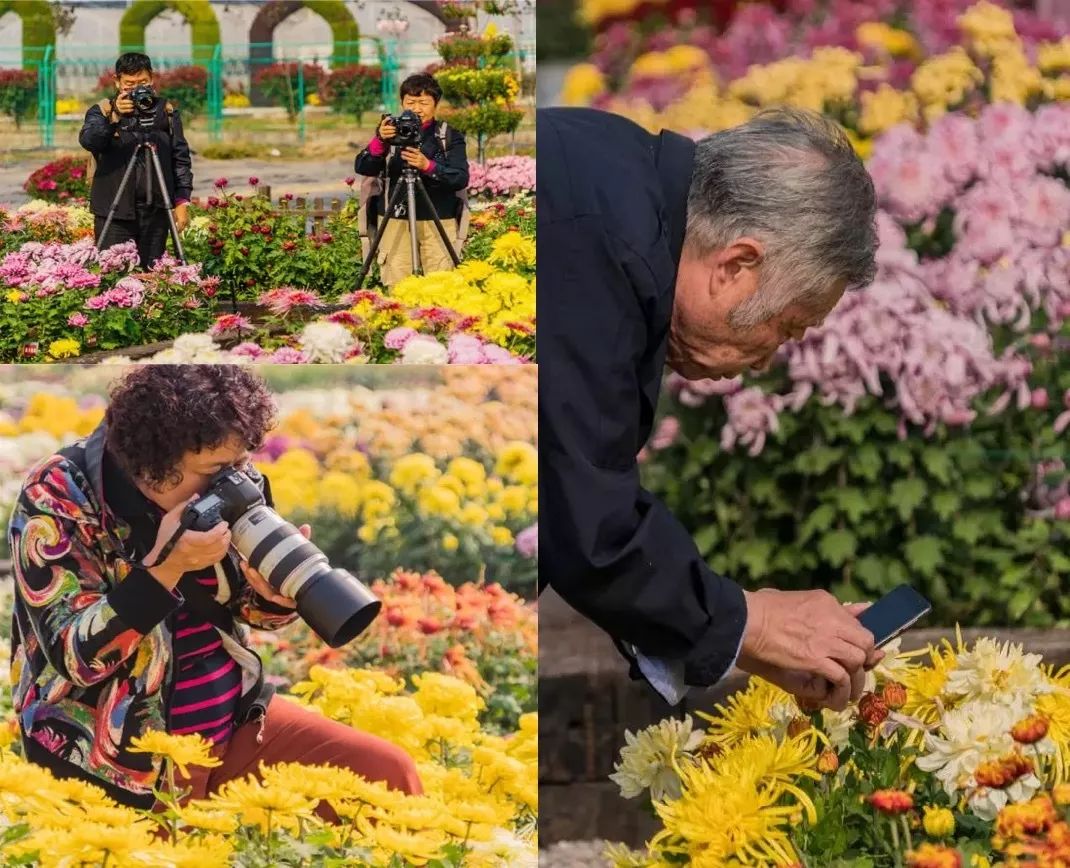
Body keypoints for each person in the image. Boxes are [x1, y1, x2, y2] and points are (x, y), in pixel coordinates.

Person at [539, 106, 883, 712]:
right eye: (788, 325)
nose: (768, 358)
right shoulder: (600, 245)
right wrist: (752, 624)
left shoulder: (618, 180)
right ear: (735, 265)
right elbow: (586, 513)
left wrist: (744, 627)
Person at [8, 365, 421, 818]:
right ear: (152, 467)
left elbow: (244, 608)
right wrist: (166, 569)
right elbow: (75, 659)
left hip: (233, 724)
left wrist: (271, 597)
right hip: (118, 761)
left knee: (385, 775)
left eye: (241, 463)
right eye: (215, 470)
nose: (234, 482)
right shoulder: (59, 496)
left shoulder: (227, 478)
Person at [79, 52, 193, 270]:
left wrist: (182, 201)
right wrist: (114, 116)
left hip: (157, 210)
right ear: (117, 81)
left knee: (152, 274)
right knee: (112, 273)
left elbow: (181, 159)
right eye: (129, 84)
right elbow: (90, 141)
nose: (137, 88)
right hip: (114, 211)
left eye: (142, 82)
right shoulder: (103, 110)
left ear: (151, 78)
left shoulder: (166, 112)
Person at [355, 73, 469, 287]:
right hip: (395, 219)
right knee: (398, 286)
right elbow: (363, 167)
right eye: (411, 102)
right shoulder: (390, 131)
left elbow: (460, 178)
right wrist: (380, 140)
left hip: (438, 218)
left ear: (436, 104)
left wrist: (428, 166)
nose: (417, 109)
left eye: (424, 102)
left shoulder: (448, 136)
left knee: (442, 286)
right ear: (402, 103)